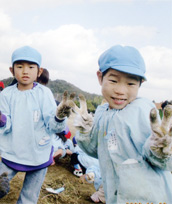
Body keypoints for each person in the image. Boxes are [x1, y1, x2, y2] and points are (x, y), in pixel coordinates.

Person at [71, 45, 172, 203]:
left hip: (151, 197)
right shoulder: (102, 112)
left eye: (130, 84)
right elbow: (95, 151)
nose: (120, 90)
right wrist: (85, 132)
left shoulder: (142, 110)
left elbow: (163, 161)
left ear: (140, 84)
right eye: (113, 80)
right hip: (116, 196)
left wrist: (160, 151)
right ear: (100, 77)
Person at [0, 45, 74, 203]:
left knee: (29, 196)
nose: (25, 71)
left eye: (31, 67)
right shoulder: (7, 94)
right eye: (20, 66)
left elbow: (52, 126)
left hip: (39, 154)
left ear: (39, 71)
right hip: (12, 152)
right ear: (11, 70)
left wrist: (59, 117)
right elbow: (5, 125)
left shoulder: (44, 94)